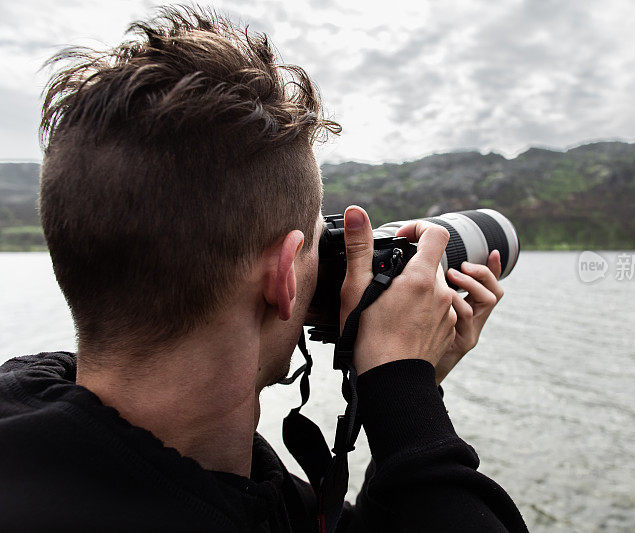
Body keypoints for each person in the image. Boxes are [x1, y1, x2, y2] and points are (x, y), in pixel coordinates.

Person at [0, 6, 527, 532]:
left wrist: (402, 388)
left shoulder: (39, 423)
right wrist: (406, 396)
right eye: (321, 242)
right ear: (284, 277)